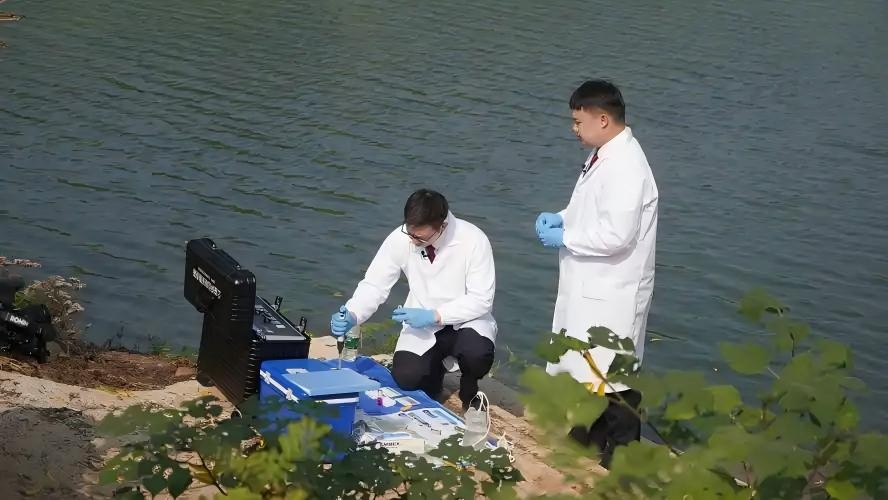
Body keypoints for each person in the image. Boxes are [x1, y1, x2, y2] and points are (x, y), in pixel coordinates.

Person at [535, 79, 659, 467]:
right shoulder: (603, 154)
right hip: (591, 282)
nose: (573, 129)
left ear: (602, 119)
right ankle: (590, 434)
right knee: (588, 360)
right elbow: (588, 208)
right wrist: (561, 217)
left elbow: (617, 235)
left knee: (614, 371)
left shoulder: (627, 167)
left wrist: (566, 237)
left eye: (578, 121)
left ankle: (622, 452)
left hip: (615, 287)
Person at [330, 188, 497, 411]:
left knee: (477, 355)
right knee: (408, 378)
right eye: (409, 233)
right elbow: (375, 284)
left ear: (442, 226)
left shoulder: (473, 239)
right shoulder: (401, 238)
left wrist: (436, 315)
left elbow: (481, 299)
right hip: (424, 325)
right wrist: (353, 313)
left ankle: (470, 387)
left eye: (419, 237)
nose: (412, 240)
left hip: (467, 322)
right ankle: (435, 375)